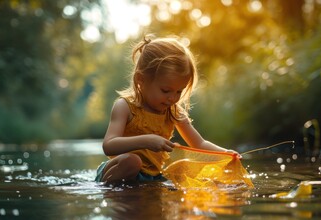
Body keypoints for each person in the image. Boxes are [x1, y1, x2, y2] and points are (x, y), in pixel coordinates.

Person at [95, 35, 238, 185]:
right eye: (165, 90)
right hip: (119, 168)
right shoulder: (124, 107)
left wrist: (225, 154)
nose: (172, 98)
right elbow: (109, 146)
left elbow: (199, 143)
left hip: (152, 176)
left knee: (182, 167)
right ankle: (108, 188)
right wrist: (147, 141)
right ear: (141, 80)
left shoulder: (173, 111)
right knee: (132, 161)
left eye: (179, 92)